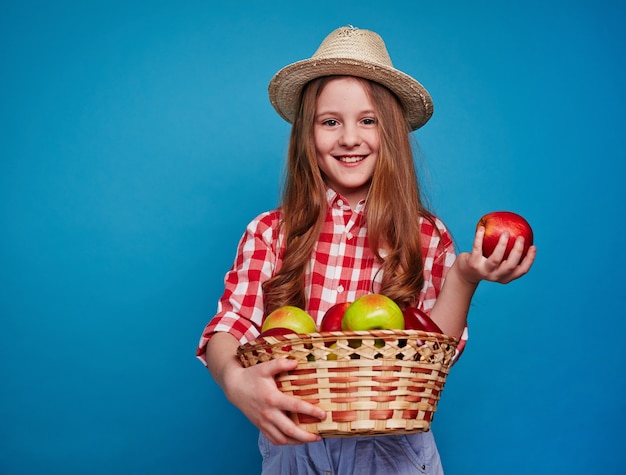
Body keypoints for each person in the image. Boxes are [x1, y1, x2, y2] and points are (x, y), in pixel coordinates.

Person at [196, 25, 536, 474]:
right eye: (330, 121)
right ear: (307, 134)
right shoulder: (270, 232)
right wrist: (234, 380)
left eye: (368, 120)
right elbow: (231, 324)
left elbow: (433, 354)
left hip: (394, 453)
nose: (349, 138)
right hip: (293, 445)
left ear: (390, 132)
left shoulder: (426, 235)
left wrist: (464, 277)